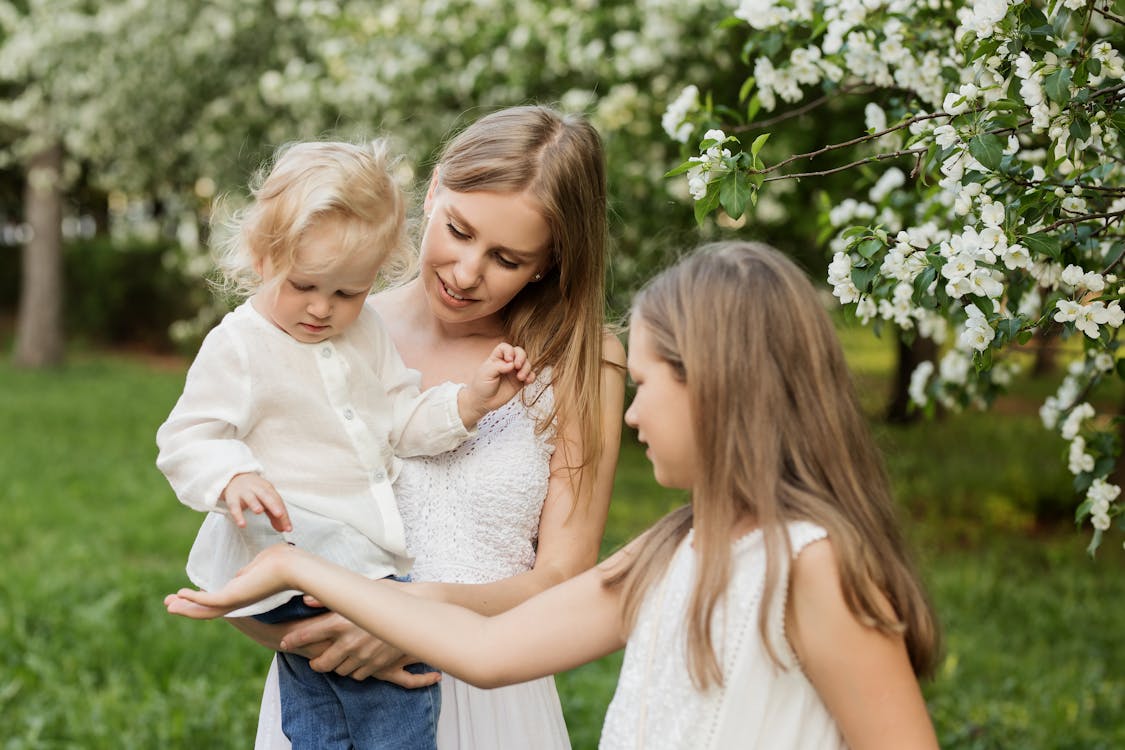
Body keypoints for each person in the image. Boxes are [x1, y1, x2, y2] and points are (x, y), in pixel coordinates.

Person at [168, 240, 943, 749]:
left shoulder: (814, 567)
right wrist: (300, 569)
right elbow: (490, 651)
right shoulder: (674, 548)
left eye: (646, 386)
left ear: (723, 390)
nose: (631, 413)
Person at [218, 106, 625, 749]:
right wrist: (324, 634)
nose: (467, 273)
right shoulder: (326, 333)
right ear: (432, 192)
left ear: (549, 263)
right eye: (459, 230)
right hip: (336, 681)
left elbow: (562, 579)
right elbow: (249, 546)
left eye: (508, 259)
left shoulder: (581, 362)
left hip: (495, 694)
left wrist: (410, 617)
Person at [156, 139, 536, 750]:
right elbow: (187, 435)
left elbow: (401, 422)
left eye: (347, 293)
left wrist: (467, 403)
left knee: (320, 705)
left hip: (348, 557)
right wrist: (231, 477)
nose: (322, 309)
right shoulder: (241, 345)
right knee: (401, 694)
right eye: (305, 284)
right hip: (295, 553)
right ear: (262, 256)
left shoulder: (366, 334)